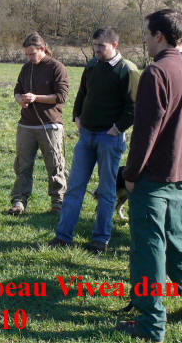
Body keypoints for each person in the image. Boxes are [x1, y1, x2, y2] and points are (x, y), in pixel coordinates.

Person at [116, 9, 182, 342]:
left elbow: (145, 132)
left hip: (152, 181)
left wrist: (132, 174)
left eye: (146, 33)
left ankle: (150, 323)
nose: (144, 39)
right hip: (180, 176)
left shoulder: (156, 73)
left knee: (149, 251)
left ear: (159, 35)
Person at [50, 27, 139, 253]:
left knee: (107, 191)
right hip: (86, 136)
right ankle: (63, 236)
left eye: (102, 46)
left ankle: (100, 239)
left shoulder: (127, 70)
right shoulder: (91, 65)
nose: (97, 50)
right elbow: (82, 93)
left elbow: (134, 107)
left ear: (114, 46)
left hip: (110, 140)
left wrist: (116, 129)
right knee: (74, 189)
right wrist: (77, 117)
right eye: (95, 45)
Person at [7, 32, 69, 215]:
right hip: (26, 125)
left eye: (32, 53)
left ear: (43, 49)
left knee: (55, 165)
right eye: (26, 54)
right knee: (22, 165)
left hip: (50, 125)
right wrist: (20, 99)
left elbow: (61, 96)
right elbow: (17, 90)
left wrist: (36, 98)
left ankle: (58, 202)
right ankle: (19, 201)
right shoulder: (26, 68)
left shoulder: (57, 67)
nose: (29, 57)